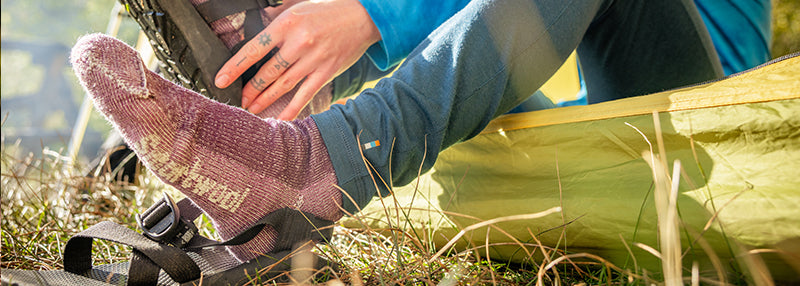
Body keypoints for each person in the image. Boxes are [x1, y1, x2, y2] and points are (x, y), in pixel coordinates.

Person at [71, 0, 722, 263]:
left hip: (708, 130)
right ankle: (275, 78)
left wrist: (371, 14)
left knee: (380, 22)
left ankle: (301, 156)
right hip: (585, 122)